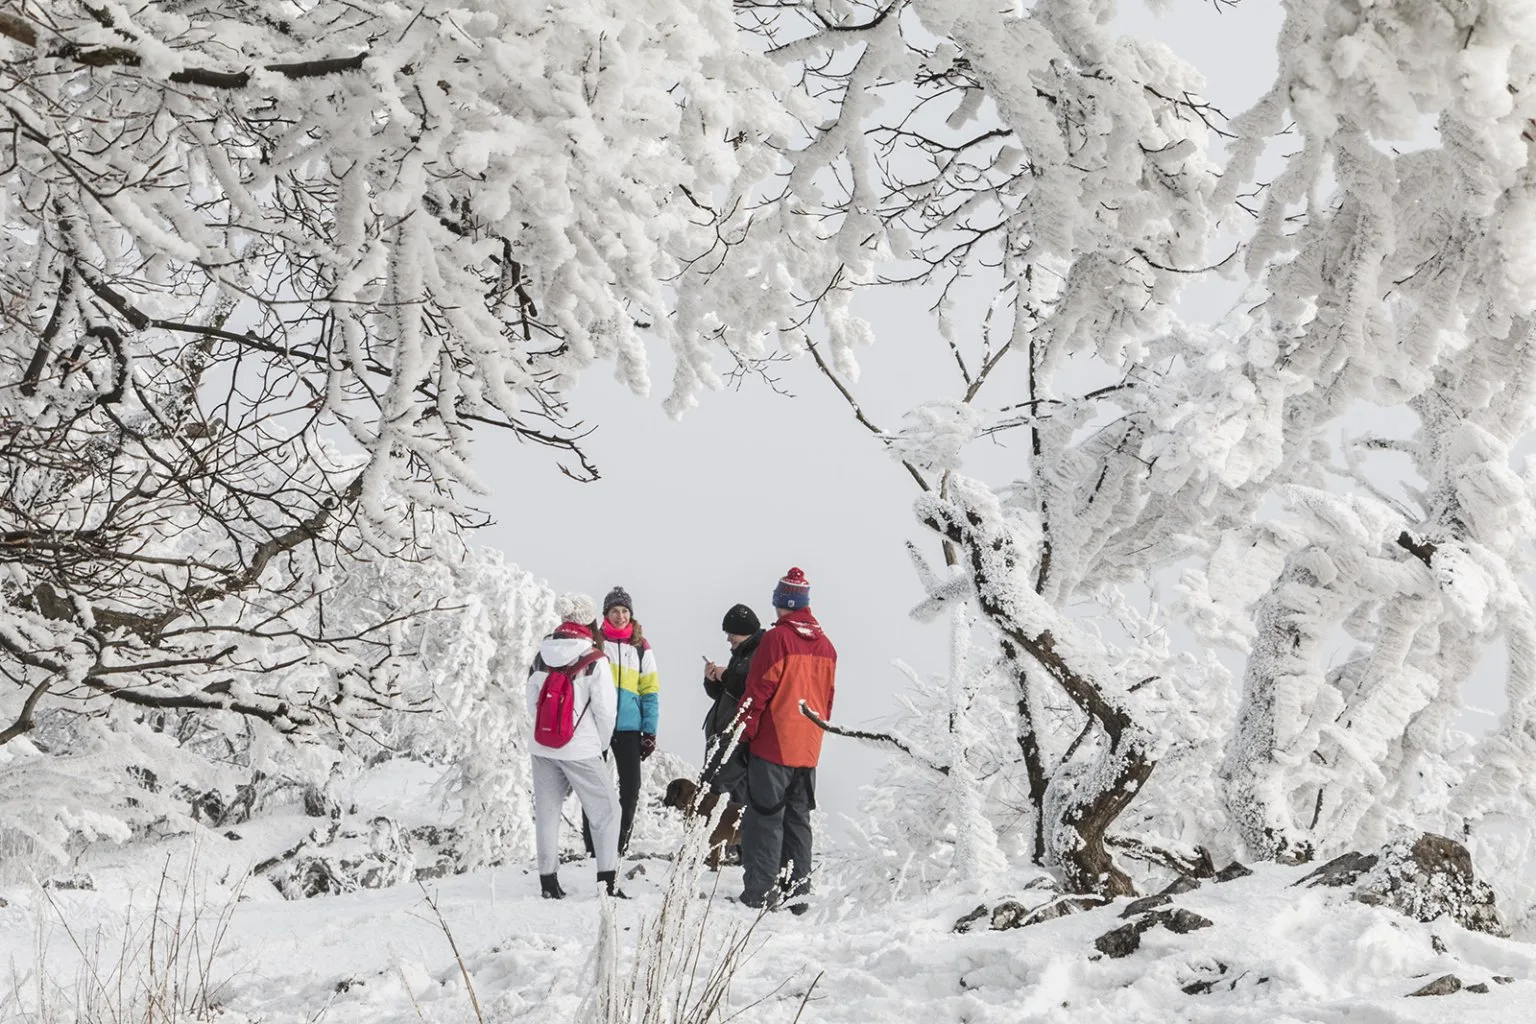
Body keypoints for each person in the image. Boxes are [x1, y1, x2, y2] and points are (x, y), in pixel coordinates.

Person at [736, 568, 836, 913]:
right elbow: (829, 699)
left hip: (773, 743)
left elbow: (758, 691)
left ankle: (760, 894)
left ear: (781, 602)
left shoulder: (776, 640)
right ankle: (799, 895)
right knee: (798, 820)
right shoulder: (827, 646)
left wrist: (744, 733)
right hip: (808, 747)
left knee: (764, 819)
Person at [528, 593, 627, 899]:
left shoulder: (541, 655)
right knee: (607, 811)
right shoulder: (594, 659)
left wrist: (547, 734)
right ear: (588, 621)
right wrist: (600, 743)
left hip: (542, 746)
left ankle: (548, 881)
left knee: (547, 812)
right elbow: (606, 711)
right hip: (581, 748)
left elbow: (532, 702)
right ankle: (607, 882)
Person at [582, 584, 659, 857]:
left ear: (631, 614)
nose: (620, 616)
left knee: (631, 788)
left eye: (625, 610)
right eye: (614, 610)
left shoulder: (640, 647)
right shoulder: (595, 643)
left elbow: (649, 690)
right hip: (596, 725)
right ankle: (593, 847)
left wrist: (649, 731)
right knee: (593, 787)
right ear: (606, 614)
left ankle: (618, 846)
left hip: (629, 727)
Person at [702, 603, 763, 796]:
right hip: (722, 737)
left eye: (732, 633)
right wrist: (712, 681)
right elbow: (728, 694)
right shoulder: (740, 655)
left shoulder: (759, 654)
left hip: (736, 742)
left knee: (718, 796)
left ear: (744, 631)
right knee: (712, 792)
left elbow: (750, 692)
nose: (728, 639)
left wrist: (726, 676)